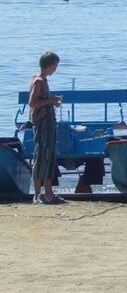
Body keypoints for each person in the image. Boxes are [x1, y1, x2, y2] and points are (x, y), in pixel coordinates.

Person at [28, 51, 64, 205]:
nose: (55, 69)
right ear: (49, 66)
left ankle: (45, 193)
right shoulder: (39, 81)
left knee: (46, 156)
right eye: (55, 66)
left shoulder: (42, 80)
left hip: (46, 124)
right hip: (43, 125)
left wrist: (52, 101)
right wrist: (51, 101)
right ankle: (42, 194)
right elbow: (33, 103)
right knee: (44, 156)